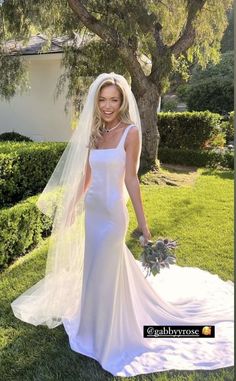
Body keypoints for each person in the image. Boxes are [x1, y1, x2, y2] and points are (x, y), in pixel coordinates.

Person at [11, 73, 233, 377]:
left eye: (113, 99)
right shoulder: (94, 132)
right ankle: (94, 323)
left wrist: (144, 226)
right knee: (96, 268)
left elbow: (131, 179)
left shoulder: (130, 133)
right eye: (102, 99)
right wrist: (72, 206)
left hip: (113, 216)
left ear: (122, 100)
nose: (106, 105)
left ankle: (110, 334)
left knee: (107, 264)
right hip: (93, 212)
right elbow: (87, 176)